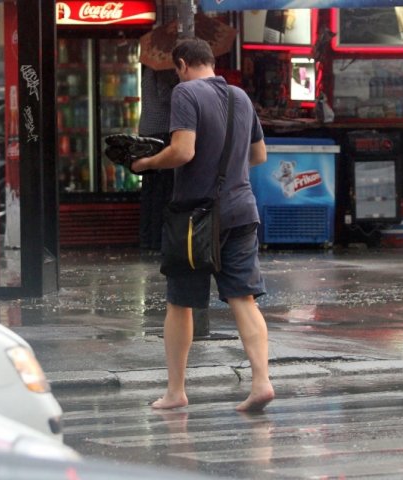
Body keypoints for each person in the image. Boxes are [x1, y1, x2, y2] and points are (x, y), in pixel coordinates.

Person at [131, 38, 274, 412]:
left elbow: (183, 151)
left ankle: (175, 391)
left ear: (181, 64)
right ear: (211, 61)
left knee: (180, 303)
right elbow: (259, 154)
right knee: (243, 298)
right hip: (241, 211)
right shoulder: (240, 97)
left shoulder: (185, 93)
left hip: (195, 217)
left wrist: (145, 164)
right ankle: (261, 382)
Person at [138, 67, 179, 251]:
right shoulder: (161, 71)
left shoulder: (148, 71)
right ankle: (157, 239)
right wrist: (180, 87)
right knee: (162, 190)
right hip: (161, 132)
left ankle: (146, 238)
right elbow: (165, 97)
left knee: (150, 188)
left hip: (146, 131)